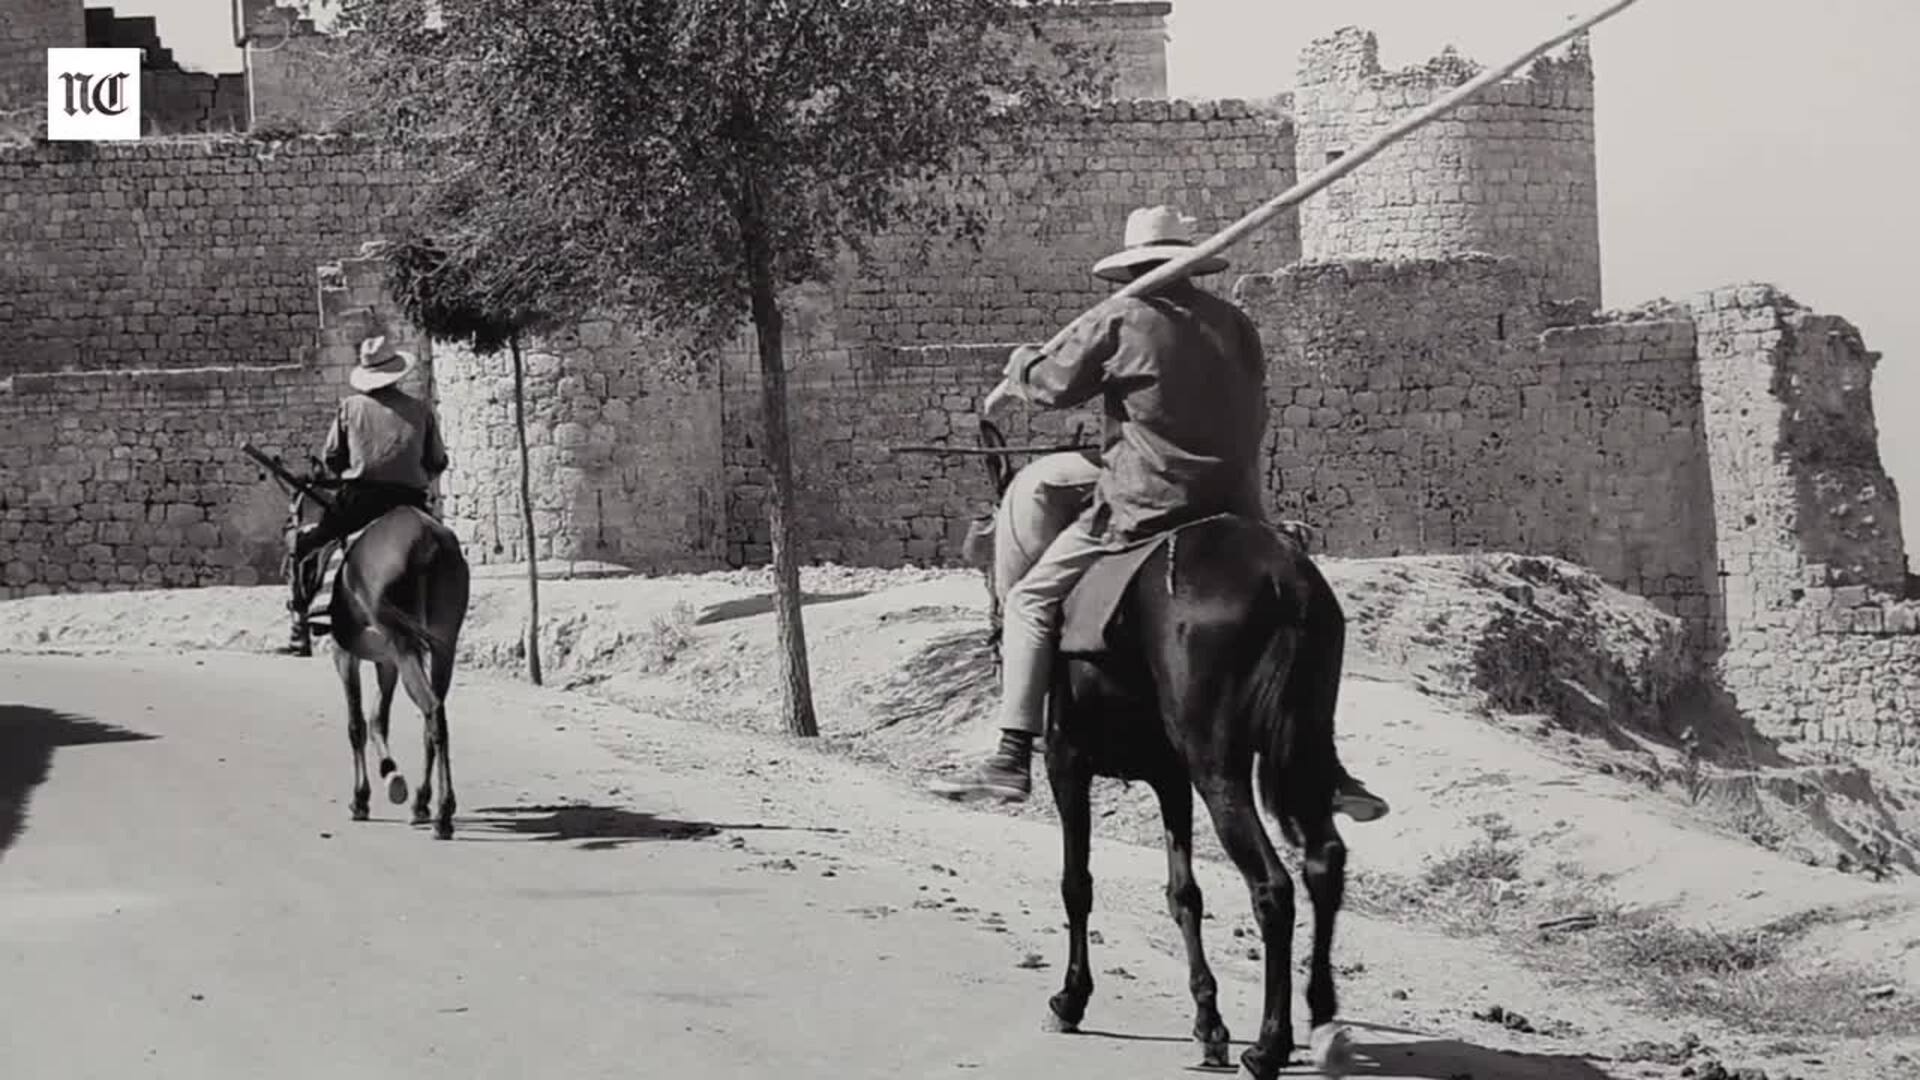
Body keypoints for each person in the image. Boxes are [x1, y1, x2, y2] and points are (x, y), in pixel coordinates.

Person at [927, 205, 1390, 824]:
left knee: (1030, 600)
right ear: (1189, 265)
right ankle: (1326, 768)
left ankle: (1011, 754)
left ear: (1131, 268)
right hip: (1234, 501)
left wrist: (1021, 363)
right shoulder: (1236, 324)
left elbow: (1051, 389)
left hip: (1147, 500)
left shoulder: (1120, 317)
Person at [281, 335, 450, 657]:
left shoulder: (350, 408)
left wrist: (356, 468)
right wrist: (412, 476)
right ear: (396, 373)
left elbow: (332, 458)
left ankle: (303, 625)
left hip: (361, 502)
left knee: (307, 547)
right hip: (412, 502)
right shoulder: (421, 410)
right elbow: (437, 461)